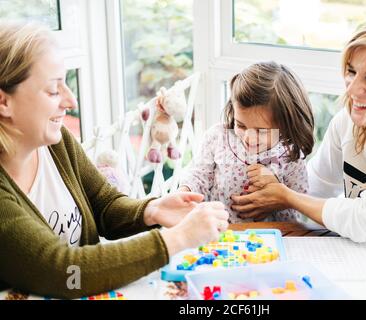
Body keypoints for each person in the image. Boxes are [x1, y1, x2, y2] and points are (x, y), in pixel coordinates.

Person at [0, 22, 229, 299]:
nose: (70, 101)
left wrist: (152, 210)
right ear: (4, 102)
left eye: (66, 85)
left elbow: (104, 204)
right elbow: (64, 271)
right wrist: (178, 238)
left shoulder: (56, 142)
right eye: (52, 90)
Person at [231, 15, 366, 243]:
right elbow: (313, 193)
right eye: (351, 71)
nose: (353, 90)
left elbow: (364, 221)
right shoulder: (348, 122)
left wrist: (286, 197)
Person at [178, 61, 315, 223]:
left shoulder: (291, 156)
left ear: (285, 124)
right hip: (218, 233)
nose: (249, 138)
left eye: (261, 131)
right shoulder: (217, 138)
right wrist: (185, 191)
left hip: (265, 240)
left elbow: (294, 216)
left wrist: (277, 194)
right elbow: (200, 175)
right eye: (240, 125)